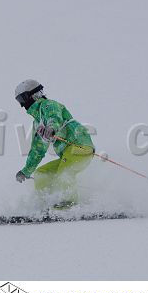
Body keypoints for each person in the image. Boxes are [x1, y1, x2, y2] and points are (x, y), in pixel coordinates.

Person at [14, 79, 95, 208]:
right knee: (42, 173)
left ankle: (69, 204)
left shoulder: (49, 105)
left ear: (33, 95)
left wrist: (52, 128)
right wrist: (26, 171)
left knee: (65, 172)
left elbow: (54, 117)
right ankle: (45, 203)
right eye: (19, 101)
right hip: (67, 154)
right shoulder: (38, 123)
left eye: (22, 99)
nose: (22, 105)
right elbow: (37, 150)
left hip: (80, 146)